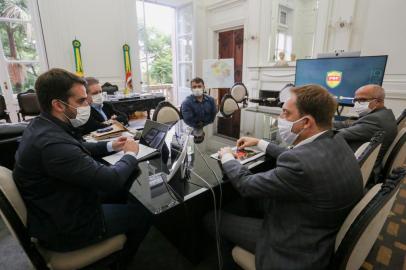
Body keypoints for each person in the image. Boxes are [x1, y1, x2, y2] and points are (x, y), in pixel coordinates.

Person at [209, 84, 363, 270]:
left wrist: (226, 156)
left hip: (293, 246)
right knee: (248, 204)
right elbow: (302, 156)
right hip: (319, 225)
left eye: (285, 113)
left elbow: (246, 185)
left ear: (306, 122)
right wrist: (260, 143)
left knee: (212, 217)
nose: (279, 119)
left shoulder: (300, 164)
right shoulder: (336, 139)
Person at [13, 68, 151, 267]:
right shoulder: (52, 145)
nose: (87, 104)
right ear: (58, 105)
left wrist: (112, 145)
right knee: (143, 212)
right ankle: (121, 260)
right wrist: (130, 153)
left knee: (123, 191)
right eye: (80, 101)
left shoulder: (41, 126)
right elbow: (110, 180)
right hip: (68, 227)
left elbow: (76, 147)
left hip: (54, 206)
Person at [334, 84, 397, 174]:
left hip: (356, 170)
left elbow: (337, 135)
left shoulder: (375, 120)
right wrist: (323, 123)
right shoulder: (383, 114)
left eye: (362, 100)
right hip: (365, 163)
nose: (357, 103)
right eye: (355, 100)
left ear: (378, 101)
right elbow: (347, 125)